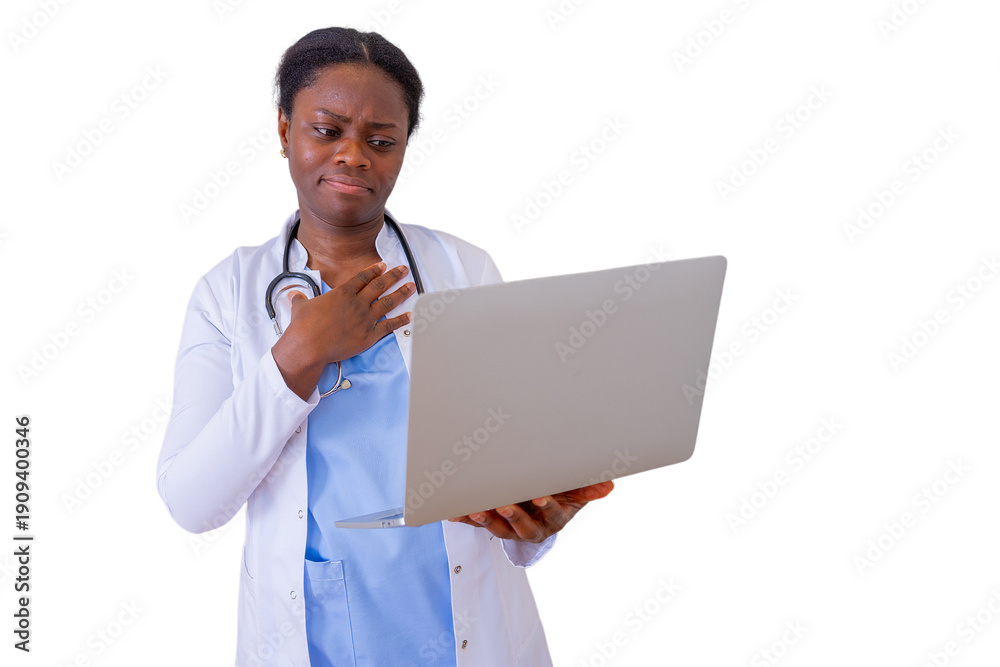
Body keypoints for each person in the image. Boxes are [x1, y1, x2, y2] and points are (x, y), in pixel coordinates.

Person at [156, 26, 613, 667]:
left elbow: (512, 480)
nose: (353, 156)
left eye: (381, 141)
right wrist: (298, 355)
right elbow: (191, 502)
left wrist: (536, 526)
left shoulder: (463, 270)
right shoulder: (226, 293)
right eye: (327, 130)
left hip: (467, 635)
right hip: (315, 638)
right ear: (284, 129)